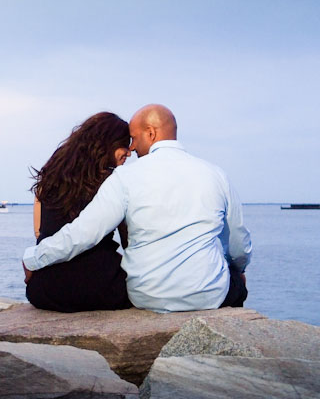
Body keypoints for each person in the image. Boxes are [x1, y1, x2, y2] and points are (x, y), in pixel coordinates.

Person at [23, 104, 252, 313]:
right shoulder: (216, 174)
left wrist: (33, 258)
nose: (131, 148)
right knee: (235, 278)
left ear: (151, 134)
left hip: (146, 295)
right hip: (207, 294)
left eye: (133, 138)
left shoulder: (124, 177)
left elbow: (84, 233)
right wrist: (237, 268)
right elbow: (238, 243)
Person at [25, 112, 133, 312]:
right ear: (108, 143)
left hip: (44, 290)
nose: (130, 151)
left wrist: (34, 260)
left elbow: (40, 231)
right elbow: (128, 239)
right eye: (125, 144)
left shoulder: (54, 169)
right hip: (98, 288)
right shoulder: (111, 181)